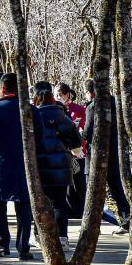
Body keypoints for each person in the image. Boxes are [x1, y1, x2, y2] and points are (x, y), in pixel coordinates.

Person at [0, 72, 43, 260]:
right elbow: (40, 137)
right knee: (23, 206)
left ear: (2, 89)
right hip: (25, 164)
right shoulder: (31, 110)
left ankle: (2, 245)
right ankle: (23, 247)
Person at [32, 82, 83, 250]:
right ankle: (62, 239)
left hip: (39, 167)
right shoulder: (62, 116)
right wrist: (74, 151)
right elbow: (76, 141)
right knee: (60, 203)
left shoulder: (33, 116)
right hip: (62, 167)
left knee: (40, 203)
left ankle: (41, 237)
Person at [84, 79, 131, 233]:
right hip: (114, 154)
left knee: (92, 191)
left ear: (90, 92)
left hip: (96, 157)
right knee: (117, 189)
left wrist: (80, 134)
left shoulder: (92, 107)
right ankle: (127, 219)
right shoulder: (116, 104)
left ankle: (90, 225)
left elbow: (88, 132)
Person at [57, 82, 88, 219]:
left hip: (77, 151)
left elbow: (84, 128)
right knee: (67, 181)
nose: (58, 97)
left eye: (60, 94)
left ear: (67, 94)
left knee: (79, 180)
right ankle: (69, 209)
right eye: (56, 94)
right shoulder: (56, 110)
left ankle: (82, 208)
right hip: (63, 152)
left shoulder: (79, 109)